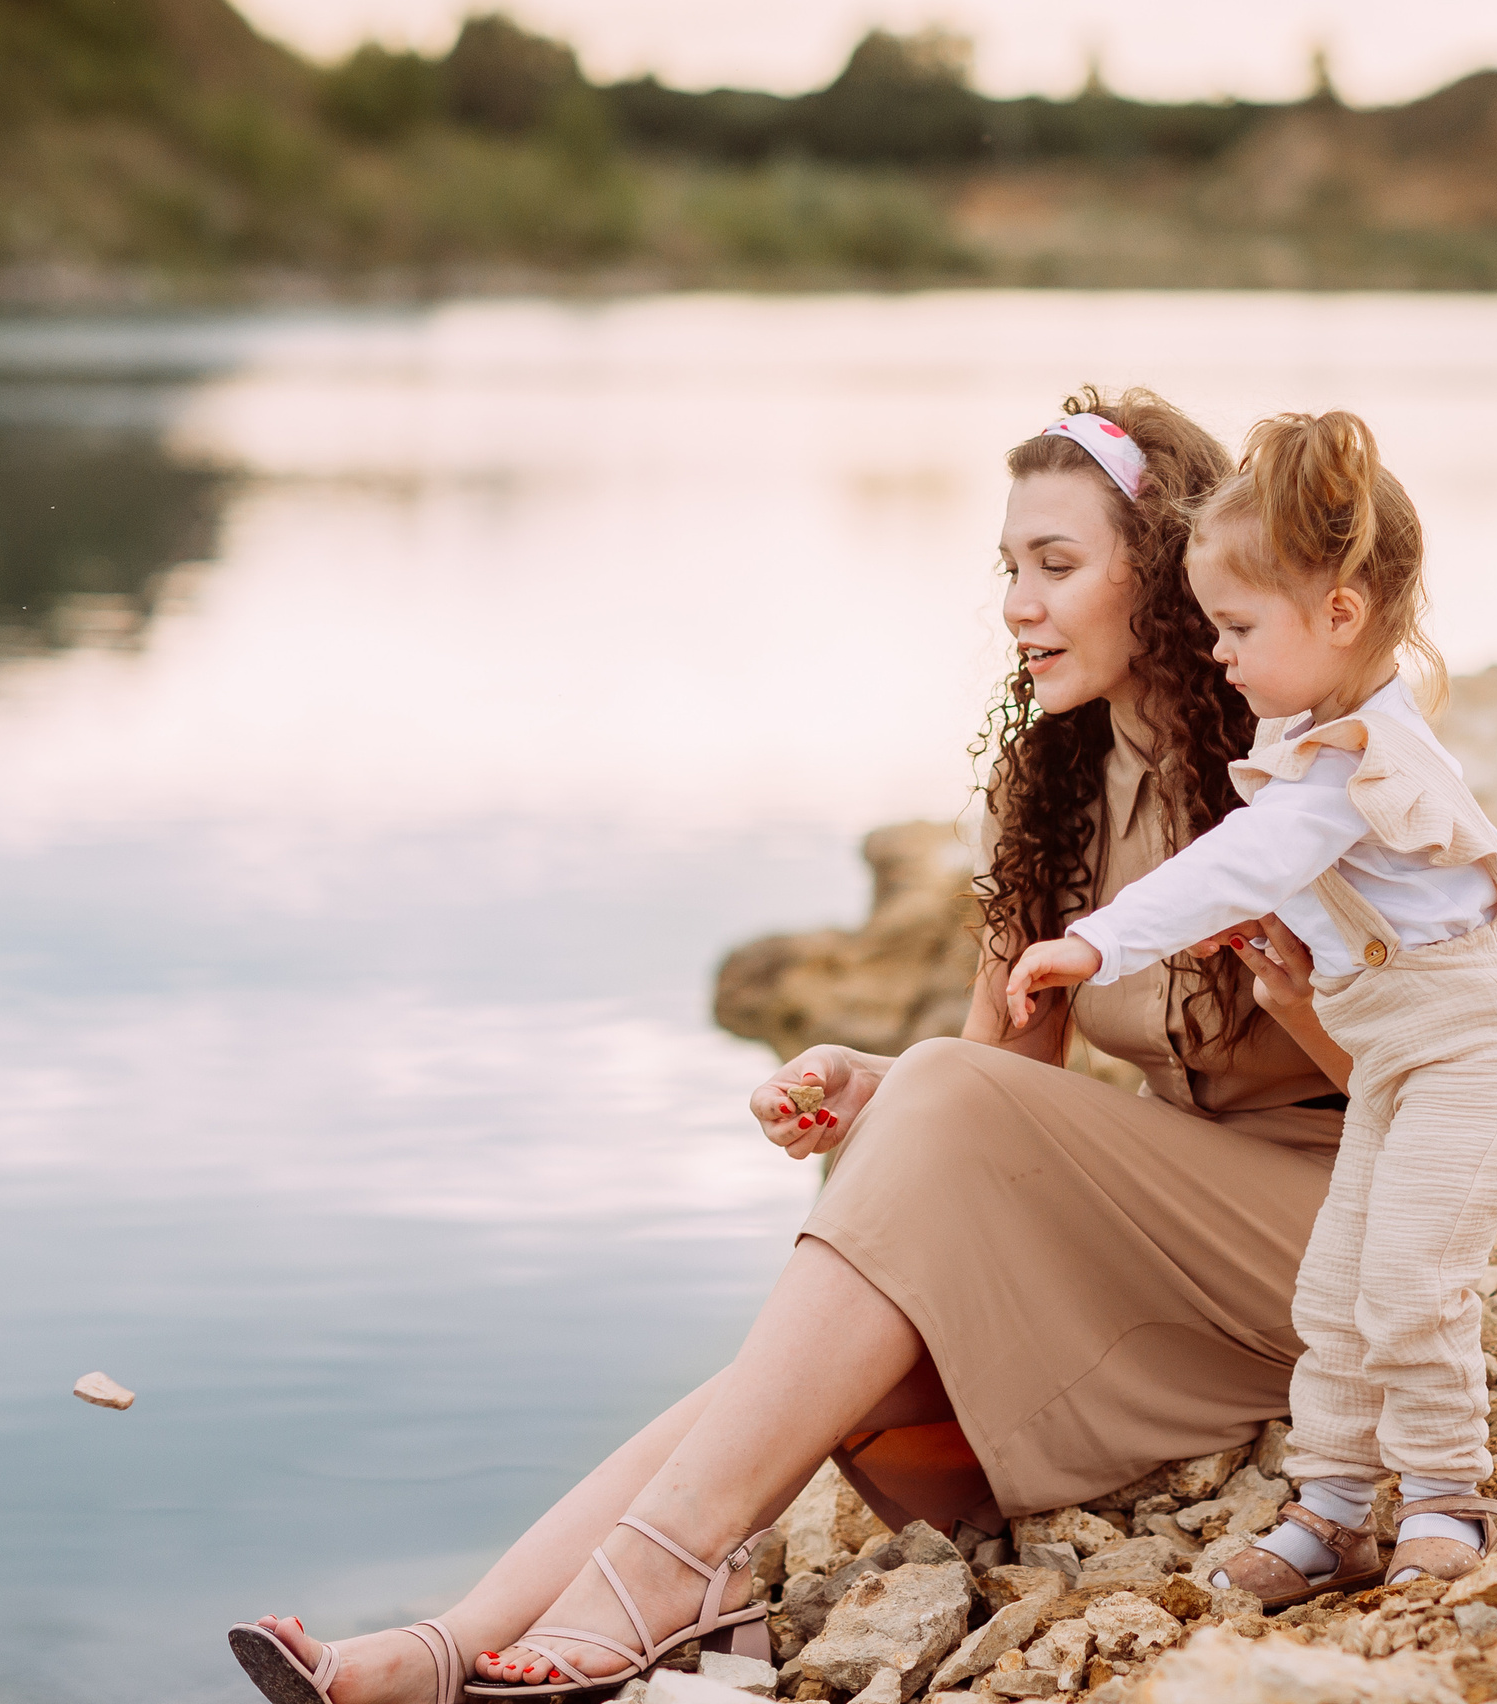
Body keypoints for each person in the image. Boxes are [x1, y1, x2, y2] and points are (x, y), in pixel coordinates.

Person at [226, 389, 1355, 1704]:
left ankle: (660, 1576)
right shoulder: (1045, 785)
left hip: (1332, 1234)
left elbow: (1436, 1072)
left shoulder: (1295, 774)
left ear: (1159, 577)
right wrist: (881, 1086)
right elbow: (999, 1084)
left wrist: (1299, 1000)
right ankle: (448, 1642)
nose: (1018, 604)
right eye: (1009, 568)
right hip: (1161, 1227)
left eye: (1057, 566)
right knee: (800, 1364)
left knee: (855, 1291)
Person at [1007, 410, 1497, 1606]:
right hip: (1403, 1056)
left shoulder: (1354, 759)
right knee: (1332, 1288)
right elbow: (1315, 879)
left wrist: (1093, 942)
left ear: (1339, 616)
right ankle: (1329, 1512)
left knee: (1411, 1283)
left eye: (1236, 626)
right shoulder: (1308, 728)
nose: (1214, 652)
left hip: (1481, 1053)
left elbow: (1243, 855)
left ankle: (1444, 1503)